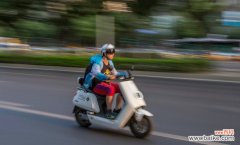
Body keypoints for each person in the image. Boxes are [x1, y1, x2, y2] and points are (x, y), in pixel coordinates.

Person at [83, 44, 127, 119]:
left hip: (105, 83)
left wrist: (125, 74)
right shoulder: (98, 62)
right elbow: (96, 73)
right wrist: (107, 76)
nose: (113, 54)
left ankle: (117, 110)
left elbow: (115, 73)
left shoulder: (110, 62)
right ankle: (108, 112)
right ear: (104, 53)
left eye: (113, 52)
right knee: (111, 89)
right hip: (96, 84)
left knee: (122, 88)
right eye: (110, 52)